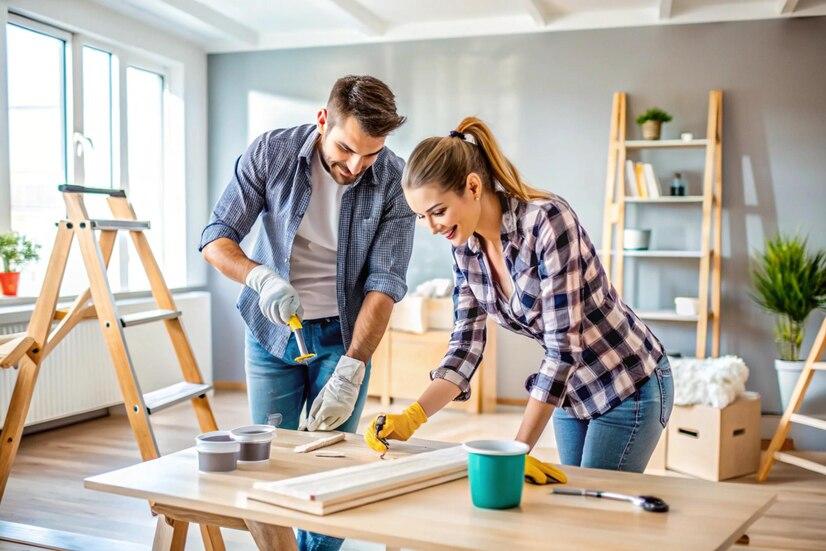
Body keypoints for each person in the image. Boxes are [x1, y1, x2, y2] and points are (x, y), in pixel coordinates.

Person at [364, 117, 674, 481]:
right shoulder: (465, 250)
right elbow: (465, 347)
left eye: (438, 212)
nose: (432, 228)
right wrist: (413, 416)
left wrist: (517, 449)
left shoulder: (546, 221)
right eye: (422, 217)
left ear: (473, 186)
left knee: (594, 514)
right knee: (568, 504)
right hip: (570, 393)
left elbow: (563, 348)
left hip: (626, 382)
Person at [201, 75, 413, 551]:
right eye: (346, 149)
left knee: (330, 466)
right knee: (272, 459)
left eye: (371, 154)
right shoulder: (272, 154)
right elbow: (216, 237)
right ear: (323, 120)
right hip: (270, 334)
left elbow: (385, 283)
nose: (357, 166)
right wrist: (260, 277)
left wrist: (352, 368)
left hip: (345, 339)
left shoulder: (394, 180)